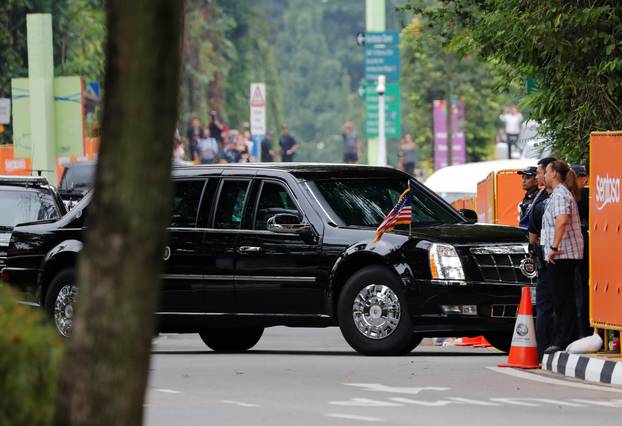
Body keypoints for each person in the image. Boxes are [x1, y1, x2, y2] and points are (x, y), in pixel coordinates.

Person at [542, 160, 583, 354]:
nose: (544, 176)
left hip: (562, 253)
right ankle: (569, 337)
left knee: (562, 298)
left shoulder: (559, 194)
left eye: (547, 172)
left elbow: (562, 220)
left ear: (554, 174)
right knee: (564, 297)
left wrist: (553, 247)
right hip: (564, 253)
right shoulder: (561, 193)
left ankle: (563, 339)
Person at [528, 157, 556, 358]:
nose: (539, 176)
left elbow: (533, 237)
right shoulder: (540, 200)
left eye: (540, 172)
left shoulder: (549, 201)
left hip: (551, 257)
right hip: (552, 257)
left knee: (547, 304)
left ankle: (545, 348)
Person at [572, 164, 591, 337]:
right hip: (585, 248)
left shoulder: (576, 196)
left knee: (580, 293)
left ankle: (582, 332)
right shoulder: (589, 195)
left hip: (578, 249)